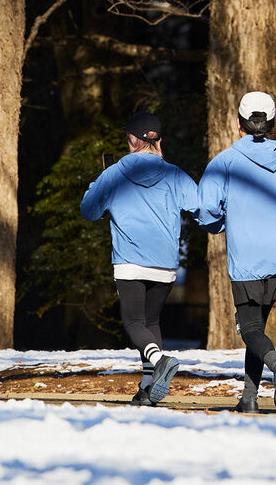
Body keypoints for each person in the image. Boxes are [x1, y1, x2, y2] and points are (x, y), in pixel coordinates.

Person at [198, 91, 276, 413]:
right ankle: (249, 397)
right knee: (258, 328)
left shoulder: (223, 163)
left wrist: (219, 225)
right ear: (272, 123)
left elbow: (207, 212)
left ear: (239, 123)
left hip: (246, 258)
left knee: (250, 329)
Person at [79, 111, 199, 406]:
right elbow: (198, 205)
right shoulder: (173, 173)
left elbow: (89, 210)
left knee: (133, 322)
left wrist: (97, 189)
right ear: (157, 141)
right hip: (165, 263)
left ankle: (159, 362)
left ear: (133, 139)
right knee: (151, 321)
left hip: (130, 260)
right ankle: (147, 387)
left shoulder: (115, 173)